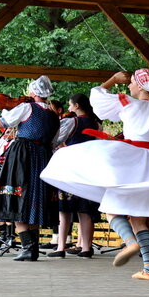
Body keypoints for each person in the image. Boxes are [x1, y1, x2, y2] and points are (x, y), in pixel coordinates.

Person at [41, 69, 149, 280]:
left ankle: (130, 242)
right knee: (139, 220)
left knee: (111, 212)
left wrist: (113, 80)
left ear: (142, 86)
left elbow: (96, 96)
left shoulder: (127, 102)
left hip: (128, 162)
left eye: (132, 82)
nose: (129, 86)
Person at [0, 75, 60, 261]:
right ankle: (32, 249)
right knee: (34, 200)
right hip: (43, 155)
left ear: (33, 92)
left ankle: (28, 248)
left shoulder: (26, 108)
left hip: (23, 154)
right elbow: (55, 141)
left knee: (17, 198)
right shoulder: (54, 115)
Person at [47, 93, 102, 259]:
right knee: (85, 210)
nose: (69, 108)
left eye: (70, 105)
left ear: (76, 105)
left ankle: (61, 247)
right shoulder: (96, 123)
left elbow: (55, 141)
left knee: (65, 210)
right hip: (89, 170)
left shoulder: (72, 122)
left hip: (71, 169)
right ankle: (86, 248)